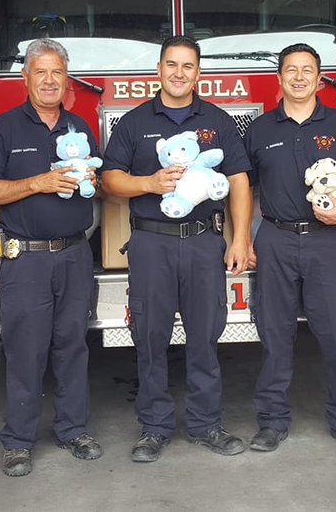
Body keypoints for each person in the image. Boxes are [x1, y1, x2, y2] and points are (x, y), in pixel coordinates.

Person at [101, 35, 254, 463]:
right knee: (150, 337)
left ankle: (206, 424)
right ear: (159, 69)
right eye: (172, 64)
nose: (179, 73)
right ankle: (154, 427)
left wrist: (239, 238)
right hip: (150, 243)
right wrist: (149, 183)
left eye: (188, 66)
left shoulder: (218, 121)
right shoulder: (132, 123)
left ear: (198, 73)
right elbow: (109, 180)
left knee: (206, 336)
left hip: (205, 242)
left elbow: (238, 179)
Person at [0, 39, 104, 477]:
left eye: (57, 73)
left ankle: (73, 429)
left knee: (73, 346)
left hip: (73, 255)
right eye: (41, 72)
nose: (49, 80)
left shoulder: (81, 128)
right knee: (25, 351)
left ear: (67, 80)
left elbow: (96, 183)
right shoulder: (4, 128)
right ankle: (17, 441)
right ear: (25, 77)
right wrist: (38, 183)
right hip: (25, 259)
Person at [243, 43, 336, 455]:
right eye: (290, 70)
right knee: (274, 333)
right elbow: (243, 188)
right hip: (276, 239)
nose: (299, 77)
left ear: (320, 79)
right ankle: (272, 420)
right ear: (278, 78)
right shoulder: (260, 129)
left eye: (307, 70)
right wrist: (243, 238)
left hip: (330, 242)